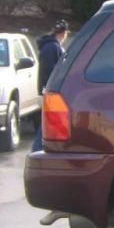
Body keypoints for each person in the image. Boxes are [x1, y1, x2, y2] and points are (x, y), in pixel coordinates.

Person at [32, 19, 69, 152]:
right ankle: (36, 151)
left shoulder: (52, 46)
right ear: (64, 33)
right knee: (45, 127)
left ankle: (38, 150)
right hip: (52, 92)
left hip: (50, 91)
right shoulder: (52, 47)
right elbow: (50, 72)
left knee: (49, 126)